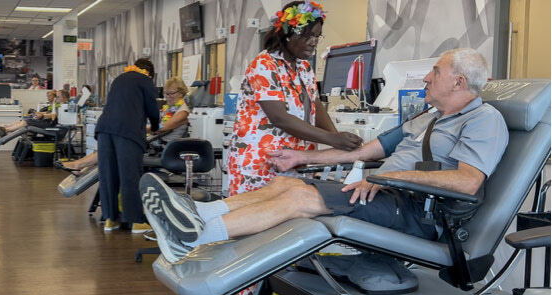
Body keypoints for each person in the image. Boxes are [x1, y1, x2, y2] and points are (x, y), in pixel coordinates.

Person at [140, 48, 507, 263]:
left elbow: (467, 182)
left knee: (301, 199)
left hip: (419, 213)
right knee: (287, 183)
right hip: (387, 194)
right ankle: (196, 213)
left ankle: (193, 239)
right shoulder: (428, 116)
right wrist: (301, 159)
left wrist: (387, 177)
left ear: (459, 82)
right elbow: (365, 151)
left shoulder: (483, 120)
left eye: (435, 72)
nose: (426, 77)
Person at [227, 0, 362, 295]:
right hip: (258, 164)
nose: (313, 43)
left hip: (295, 162)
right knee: (257, 237)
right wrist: (333, 141)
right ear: (287, 33)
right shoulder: (263, 65)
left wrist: (340, 144)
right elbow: (280, 118)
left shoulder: (302, 67)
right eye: (308, 36)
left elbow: (315, 106)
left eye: (317, 36)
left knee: (289, 237)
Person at [58, 77, 190, 173]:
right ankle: (80, 166)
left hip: (161, 149)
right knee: (110, 145)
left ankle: (79, 165)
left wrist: (138, 129)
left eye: (171, 93)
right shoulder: (168, 108)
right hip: (151, 143)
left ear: (181, 92)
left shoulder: (182, 112)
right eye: (166, 93)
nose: (168, 96)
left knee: (114, 147)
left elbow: (162, 128)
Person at [95, 58, 161, 235]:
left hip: (104, 130)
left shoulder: (119, 79)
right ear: (150, 73)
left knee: (108, 175)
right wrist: (155, 126)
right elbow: (152, 108)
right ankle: (135, 221)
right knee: (129, 175)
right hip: (127, 132)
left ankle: (111, 219)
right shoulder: (145, 80)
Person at [0, 90, 68, 136]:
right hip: (48, 122)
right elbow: (49, 112)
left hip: (50, 125)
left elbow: (53, 115)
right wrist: (40, 114)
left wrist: (42, 116)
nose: (57, 98)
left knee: (28, 121)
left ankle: (6, 130)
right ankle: (6, 128)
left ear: (64, 98)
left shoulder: (64, 106)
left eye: (58, 97)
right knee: (27, 119)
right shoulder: (60, 105)